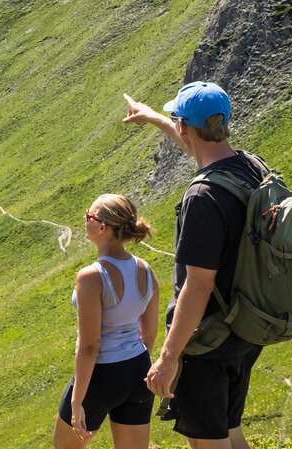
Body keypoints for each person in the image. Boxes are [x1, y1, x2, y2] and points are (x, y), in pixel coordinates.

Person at [121, 82, 267, 448]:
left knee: (208, 441)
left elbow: (198, 286)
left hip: (207, 343)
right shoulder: (249, 166)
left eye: (177, 121)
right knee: (231, 432)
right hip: (245, 329)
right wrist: (153, 116)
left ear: (186, 126)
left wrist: (168, 359)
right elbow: (196, 146)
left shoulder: (203, 197)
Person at [54, 194, 160, 449]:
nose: (84, 219)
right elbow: (150, 333)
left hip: (101, 376)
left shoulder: (91, 276)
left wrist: (78, 401)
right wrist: (135, 366)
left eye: (88, 216)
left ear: (102, 227)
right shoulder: (145, 270)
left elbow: (90, 346)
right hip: (138, 370)